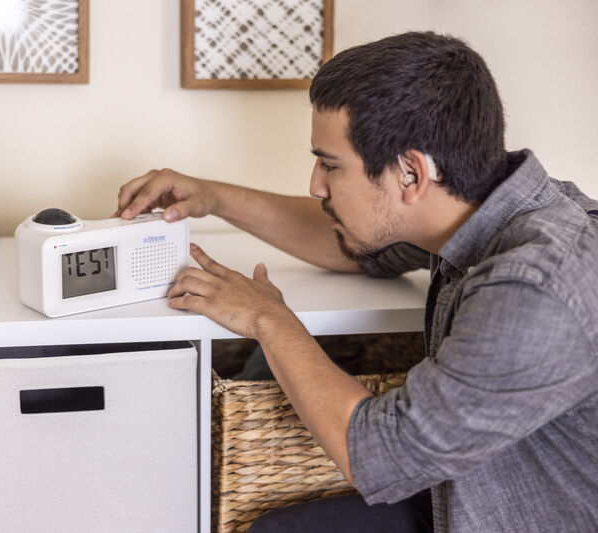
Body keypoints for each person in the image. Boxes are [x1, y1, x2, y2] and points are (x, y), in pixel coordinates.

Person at [114, 31, 598, 532]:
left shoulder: (535, 288)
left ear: (411, 173)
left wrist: (267, 317)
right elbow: (355, 245)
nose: (315, 184)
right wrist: (215, 197)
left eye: (330, 164)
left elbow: (379, 453)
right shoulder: (487, 207)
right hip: (469, 487)